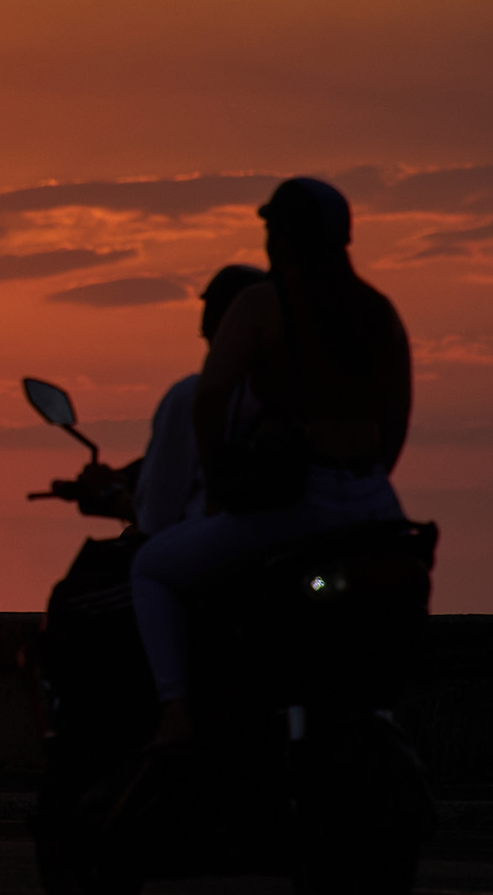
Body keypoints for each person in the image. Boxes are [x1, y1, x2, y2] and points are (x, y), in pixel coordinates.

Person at [131, 178, 411, 744]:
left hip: (296, 500)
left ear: (280, 239)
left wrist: (219, 482)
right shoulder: (380, 311)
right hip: (374, 504)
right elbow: (396, 419)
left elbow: (211, 396)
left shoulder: (267, 303)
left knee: (151, 568)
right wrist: (363, 479)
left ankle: (175, 711)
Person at [76, 264, 270, 535]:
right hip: (305, 532)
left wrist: (114, 497)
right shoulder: (302, 391)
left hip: (227, 540)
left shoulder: (192, 395)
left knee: (144, 572)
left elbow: (157, 518)